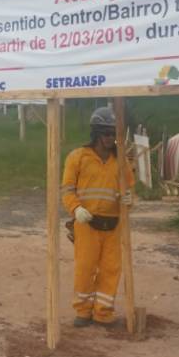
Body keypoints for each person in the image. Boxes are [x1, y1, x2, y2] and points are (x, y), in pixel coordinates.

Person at [61, 106, 135, 327]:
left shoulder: (120, 161)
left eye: (113, 133)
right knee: (85, 269)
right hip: (87, 224)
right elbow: (66, 189)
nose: (110, 138)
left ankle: (103, 313)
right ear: (96, 133)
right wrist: (75, 209)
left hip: (113, 226)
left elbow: (129, 188)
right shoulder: (78, 157)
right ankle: (83, 311)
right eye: (106, 133)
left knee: (111, 270)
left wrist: (129, 200)